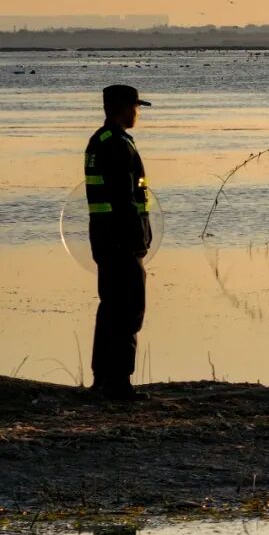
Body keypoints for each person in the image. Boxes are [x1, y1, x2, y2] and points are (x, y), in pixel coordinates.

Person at [84, 84, 153, 401]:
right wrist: (139, 238)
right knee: (129, 309)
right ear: (124, 108)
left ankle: (102, 378)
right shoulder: (117, 145)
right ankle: (119, 382)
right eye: (135, 107)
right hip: (122, 241)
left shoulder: (100, 141)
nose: (137, 113)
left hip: (104, 239)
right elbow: (125, 200)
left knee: (110, 307)